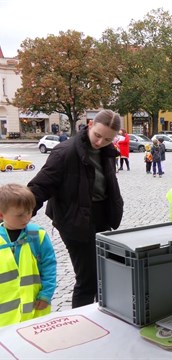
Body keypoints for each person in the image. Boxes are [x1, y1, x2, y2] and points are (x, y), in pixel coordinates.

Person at [27, 109, 124, 308]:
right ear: (89, 125)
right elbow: (40, 187)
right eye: (97, 135)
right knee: (87, 280)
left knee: (104, 276)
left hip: (101, 217)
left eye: (107, 139)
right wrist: (17, 214)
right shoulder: (65, 152)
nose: (100, 142)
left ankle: (102, 317)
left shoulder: (108, 152)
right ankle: (81, 325)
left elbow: (108, 185)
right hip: (74, 222)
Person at [0, 184, 57, 326]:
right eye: (20, 215)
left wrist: (46, 295)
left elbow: (49, 266)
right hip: (5, 319)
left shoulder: (37, 235)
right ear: (2, 215)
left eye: (29, 212)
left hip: (33, 311)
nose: (26, 218)